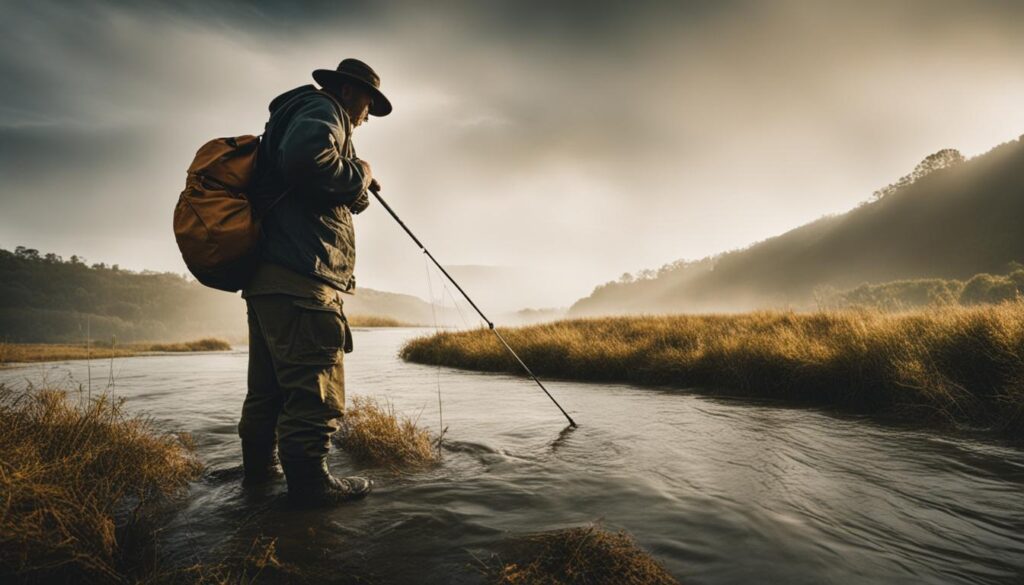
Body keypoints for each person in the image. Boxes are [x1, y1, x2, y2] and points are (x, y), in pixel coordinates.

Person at [237, 58, 392, 507]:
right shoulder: (324, 110)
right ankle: (311, 487)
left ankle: (259, 476)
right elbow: (308, 162)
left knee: (266, 390)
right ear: (348, 92)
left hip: (269, 279)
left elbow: (307, 176)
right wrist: (360, 171)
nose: (365, 117)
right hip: (302, 279)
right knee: (313, 389)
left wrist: (352, 188)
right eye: (367, 104)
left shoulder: (292, 115)